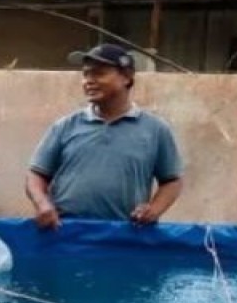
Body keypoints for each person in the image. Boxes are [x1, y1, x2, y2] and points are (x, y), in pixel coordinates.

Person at [26, 43, 183, 228]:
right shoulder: (66, 126)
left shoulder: (155, 130)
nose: (88, 81)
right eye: (86, 74)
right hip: (66, 236)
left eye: (99, 73)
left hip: (124, 238)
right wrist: (42, 204)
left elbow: (172, 181)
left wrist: (154, 210)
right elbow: (36, 174)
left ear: (126, 77)